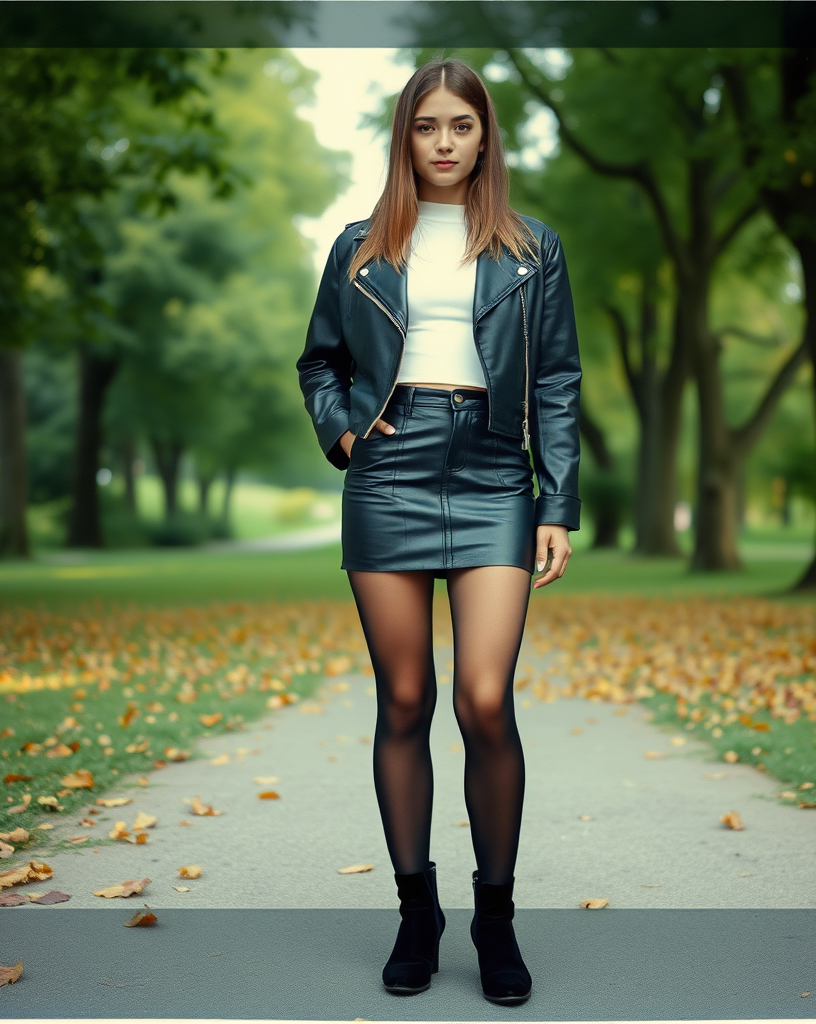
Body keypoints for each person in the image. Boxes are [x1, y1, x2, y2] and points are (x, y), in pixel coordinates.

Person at [296, 56, 582, 1006]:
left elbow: (556, 382)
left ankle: (494, 919)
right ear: (405, 136)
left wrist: (557, 500)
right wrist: (343, 429)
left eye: (462, 126)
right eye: (428, 127)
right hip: (390, 467)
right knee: (406, 699)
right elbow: (320, 362)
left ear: (485, 135)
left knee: (485, 700)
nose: (446, 142)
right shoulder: (358, 246)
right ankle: (417, 913)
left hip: (497, 467)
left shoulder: (535, 248)